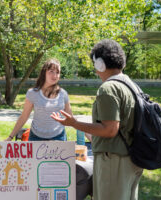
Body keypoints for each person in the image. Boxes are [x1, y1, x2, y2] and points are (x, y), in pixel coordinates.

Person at [51, 39, 143, 200]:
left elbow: (110, 129)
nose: (95, 70)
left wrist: (74, 123)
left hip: (114, 161)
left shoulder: (108, 88)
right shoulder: (130, 85)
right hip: (131, 159)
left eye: (95, 65)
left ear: (100, 64)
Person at [5, 58, 72, 141]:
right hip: (36, 137)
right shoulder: (32, 93)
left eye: (57, 72)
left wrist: (90, 136)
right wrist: (10, 137)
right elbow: (24, 117)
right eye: (51, 71)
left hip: (58, 137)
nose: (55, 75)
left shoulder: (63, 94)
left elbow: (71, 119)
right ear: (44, 73)